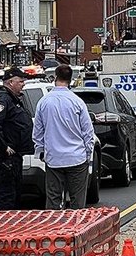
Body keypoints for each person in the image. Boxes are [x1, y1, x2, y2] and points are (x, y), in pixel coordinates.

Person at [33, 64, 95, 209]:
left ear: (55, 77)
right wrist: (87, 153)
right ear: (71, 79)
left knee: (53, 200)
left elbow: (37, 132)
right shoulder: (77, 102)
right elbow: (88, 131)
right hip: (77, 158)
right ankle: (77, 229)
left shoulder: (44, 102)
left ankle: (55, 229)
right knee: (77, 201)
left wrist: (41, 151)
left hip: (54, 158)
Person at [0, 68, 34, 210]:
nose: (23, 84)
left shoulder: (12, 98)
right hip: (6, 156)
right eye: (20, 81)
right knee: (7, 194)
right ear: (11, 82)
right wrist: (4, 146)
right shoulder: (3, 98)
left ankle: (12, 224)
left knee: (14, 192)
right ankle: (3, 224)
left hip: (14, 155)